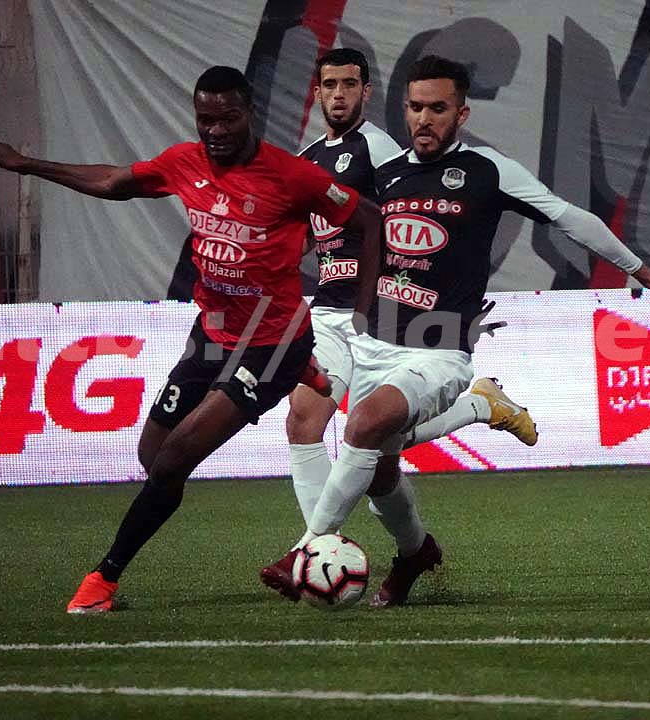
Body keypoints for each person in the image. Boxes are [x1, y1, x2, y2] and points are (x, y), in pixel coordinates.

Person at [266, 54, 650, 608]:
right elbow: (350, 241)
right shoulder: (388, 174)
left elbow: (570, 217)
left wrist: (644, 272)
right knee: (379, 474)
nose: (425, 119)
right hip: (376, 342)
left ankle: (305, 550)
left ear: (461, 113)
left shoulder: (487, 170)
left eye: (438, 109)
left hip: (440, 350)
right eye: (416, 107)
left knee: (365, 425)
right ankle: (416, 550)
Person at [0, 65, 382, 614]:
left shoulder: (292, 175)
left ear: (250, 113)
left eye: (227, 118)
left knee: (172, 462)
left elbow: (370, 221)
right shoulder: (183, 162)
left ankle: (102, 581)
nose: (215, 130)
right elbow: (114, 182)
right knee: (152, 457)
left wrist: (364, 310)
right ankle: (307, 368)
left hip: (271, 344)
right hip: (211, 333)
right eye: (205, 119)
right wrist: (28, 165)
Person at [259, 50, 538, 601]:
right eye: (329, 85)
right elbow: (302, 236)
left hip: (382, 320)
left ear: (366, 92)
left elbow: (424, 227)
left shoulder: (385, 151)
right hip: (328, 312)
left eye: (350, 84)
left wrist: (444, 309)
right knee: (305, 421)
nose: (339, 94)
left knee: (375, 446)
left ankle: (313, 552)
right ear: (317, 93)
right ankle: (354, 552)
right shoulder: (307, 159)